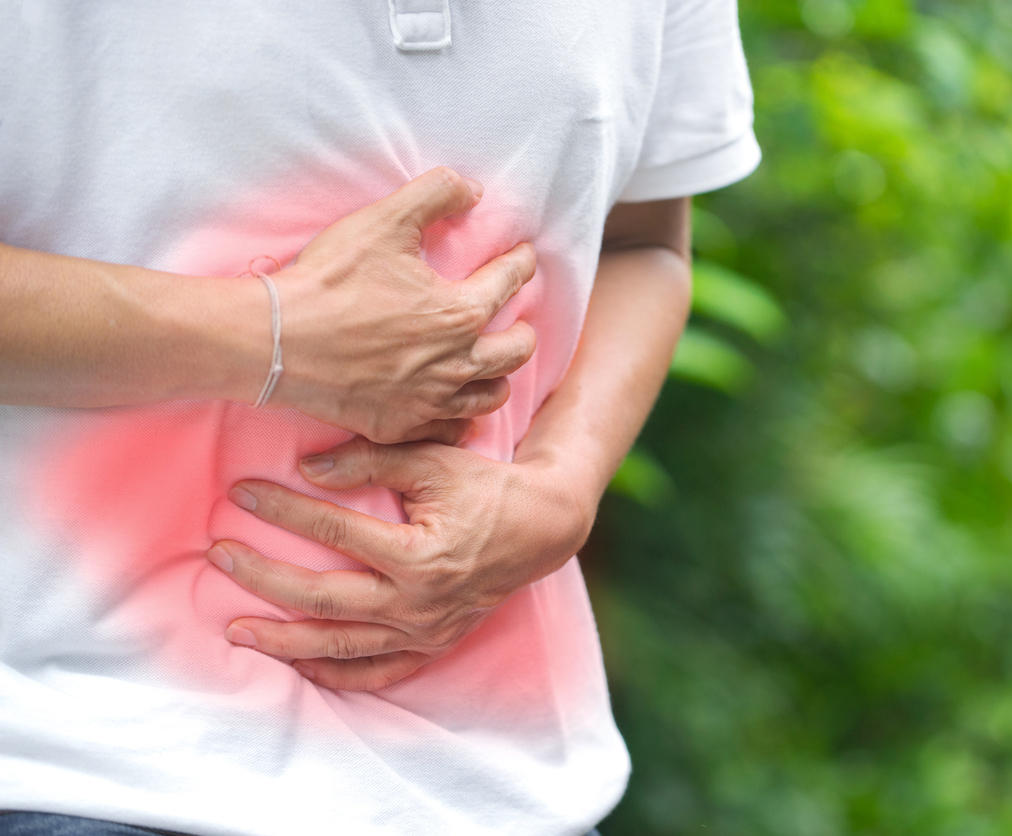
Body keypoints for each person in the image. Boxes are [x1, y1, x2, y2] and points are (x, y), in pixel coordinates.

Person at [0, 2, 760, 834]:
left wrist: (563, 488)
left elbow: (644, 241)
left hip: (517, 790)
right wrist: (268, 336)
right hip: (78, 762)